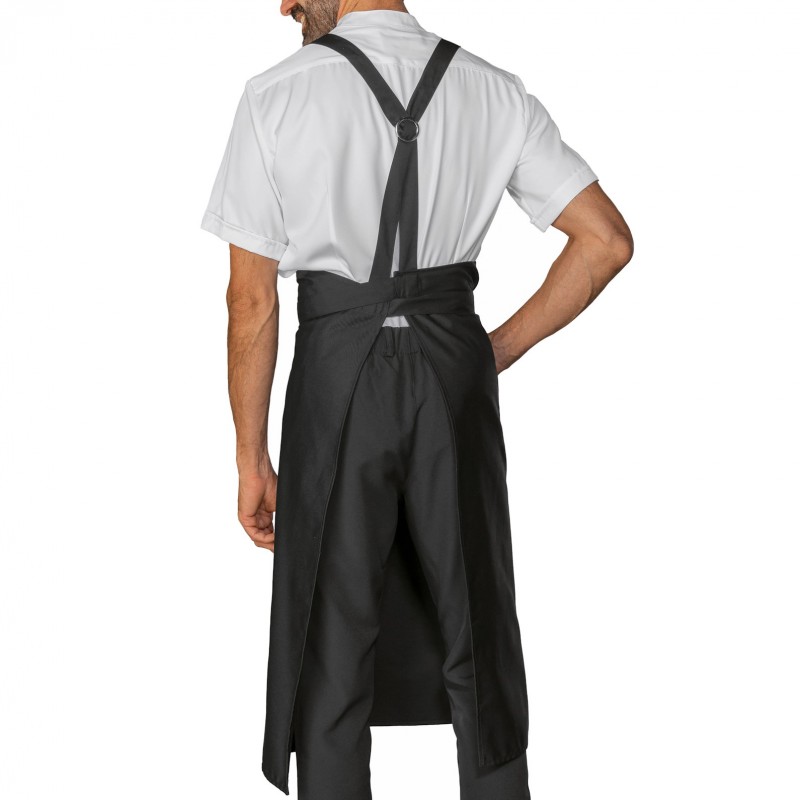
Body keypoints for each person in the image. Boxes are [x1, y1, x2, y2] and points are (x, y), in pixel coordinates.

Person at [200, 1, 634, 797]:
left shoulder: (276, 95)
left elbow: (251, 302)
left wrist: (251, 459)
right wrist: (489, 352)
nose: (286, 5)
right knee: (478, 628)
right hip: (451, 370)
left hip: (336, 374)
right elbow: (605, 240)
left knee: (331, 648)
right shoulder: (492, 89)